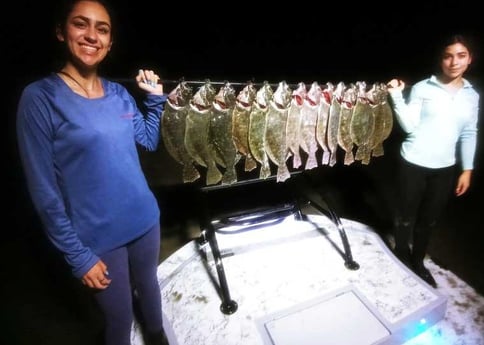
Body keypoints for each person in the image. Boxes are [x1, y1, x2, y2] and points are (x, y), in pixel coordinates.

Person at [15, 1, 169, 344]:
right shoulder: (40, 98)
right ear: (61, 31)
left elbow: (147, 141)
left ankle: (158, 337)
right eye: (80, 25)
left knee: (149, 286)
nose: (91, 36)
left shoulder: (118, 93)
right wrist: (78, 255)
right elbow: (44, 191)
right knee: (120, 318)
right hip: (98, 236)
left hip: (145, 218)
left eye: (102, 29)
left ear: (110, 42)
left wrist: (154, 101)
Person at [386, 33, 479, 288]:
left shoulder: (472, 96)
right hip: (413, 162)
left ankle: (418, 262)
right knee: (405, 216)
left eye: (461, 56)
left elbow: (470, 132)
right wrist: (396, 97)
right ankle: (401, 254)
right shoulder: (422, 88)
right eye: (448, 56)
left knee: (429, 220)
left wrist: (467, 169)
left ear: (469, 59)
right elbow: (408, 126)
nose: (454, 62)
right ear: (441, 60)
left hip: (445, 168)